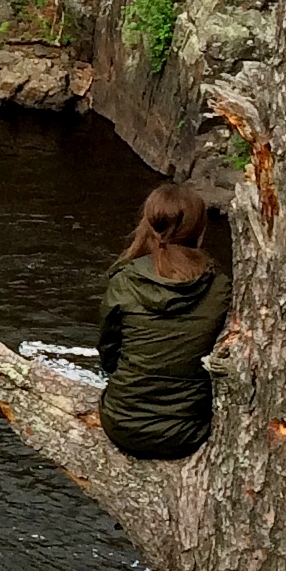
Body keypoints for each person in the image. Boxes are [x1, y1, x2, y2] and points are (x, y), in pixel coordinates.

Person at [97, 180, 228, 461]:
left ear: (148, 223)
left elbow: (109, 357)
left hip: (122, 424)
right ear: (199, 230)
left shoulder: (124, 281)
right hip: (187, 433)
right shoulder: (221, 288)